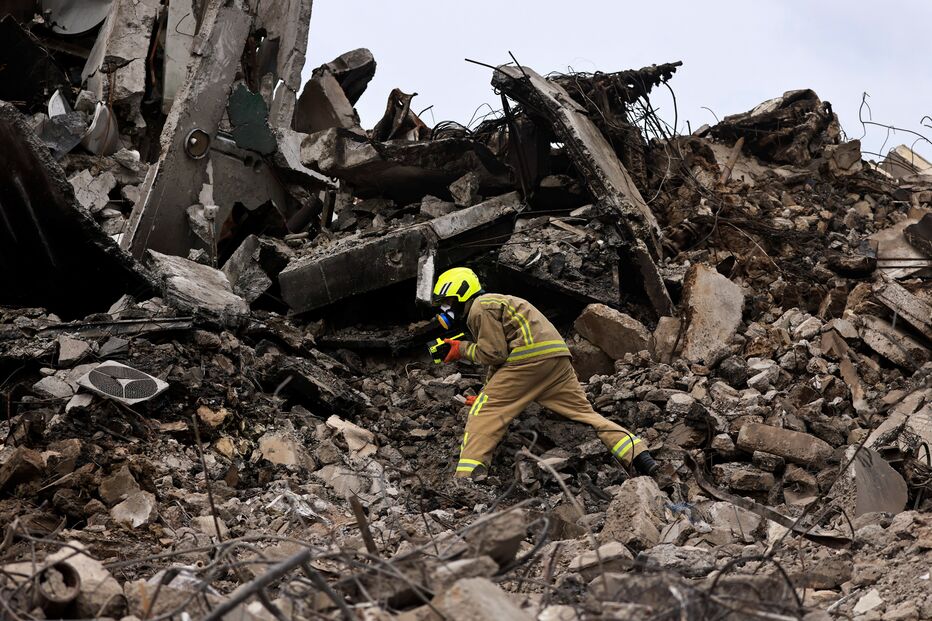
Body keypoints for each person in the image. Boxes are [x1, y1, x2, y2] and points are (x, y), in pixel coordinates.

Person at [431, 266, 659, 479]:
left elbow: (494, 354)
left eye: (448, 300)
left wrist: (460, 349)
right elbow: (501, 364)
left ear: (461, 292)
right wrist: (485, 392)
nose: (446, 308)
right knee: (585, 415)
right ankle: (638, 454)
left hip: (529, 359)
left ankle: (467, 478)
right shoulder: (498, 301)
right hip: (555, 359)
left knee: (484, 414)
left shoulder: (480, 307)